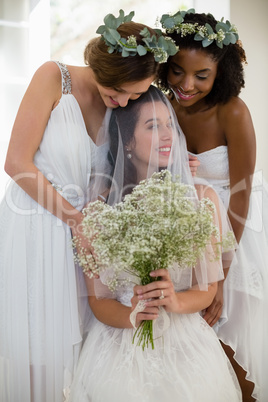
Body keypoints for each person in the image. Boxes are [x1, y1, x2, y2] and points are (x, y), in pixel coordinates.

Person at [0, 9, 179, 402]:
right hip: (37, 224)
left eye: (135, 94)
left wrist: (172, 165)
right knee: (34, 348)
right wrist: (75, 218)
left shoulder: (121, 107)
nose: (124, 101)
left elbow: (123, 168)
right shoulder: (53, 78)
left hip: (87, 241)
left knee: (77, 350)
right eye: (121, 89)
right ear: (107, 65)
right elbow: (16, 162)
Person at [68, 85, 242, 402]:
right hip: (119, 343)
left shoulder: (201, 200)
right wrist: (131, 314)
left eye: (169, 125)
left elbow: (207, 291)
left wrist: (174, 301)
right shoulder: (98, 211)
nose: (167, 136)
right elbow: (99, 299)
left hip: (185, 344)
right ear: (129, 142)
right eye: (152, 126)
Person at [156, 9, 268, 401]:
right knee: (193, 341)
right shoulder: (161, 106)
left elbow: (240, 194)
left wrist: (220, 272)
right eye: (177, 72)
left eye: (201, 76)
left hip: (234, 231)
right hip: (186, 226)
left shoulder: (232, 111)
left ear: (222, 73)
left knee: (232, 335)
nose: (186, 85)